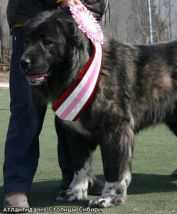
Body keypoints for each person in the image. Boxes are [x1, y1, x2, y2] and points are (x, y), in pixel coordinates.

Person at [3, 0, 93, 209]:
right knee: (27, 111)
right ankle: (17, 186)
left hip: (79, 24)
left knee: (75, 109)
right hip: (32, 19)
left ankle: (76, 179)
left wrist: (89, 11)